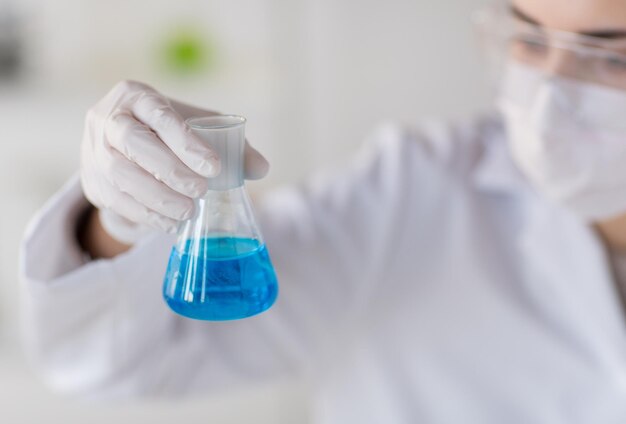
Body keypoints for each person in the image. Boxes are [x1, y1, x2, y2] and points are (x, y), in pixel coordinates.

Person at [19, 0, 626, 422]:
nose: (549, 103)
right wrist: (120, 221)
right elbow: (112, 364)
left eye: (613, 59)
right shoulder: (410, 194)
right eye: (530, 37)